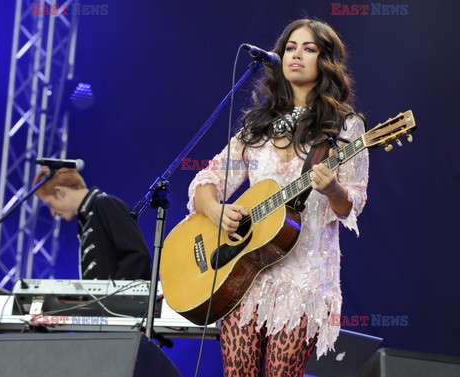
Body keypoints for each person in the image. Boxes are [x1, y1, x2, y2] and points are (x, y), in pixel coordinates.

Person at [187, 19, 369, 376]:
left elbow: (353, 203)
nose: (296, 55)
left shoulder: (345, 127)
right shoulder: (257, 125)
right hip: (243, 276)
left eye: (309, 49)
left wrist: (333, 189)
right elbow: (209, 177)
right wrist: (213, 210)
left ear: (325, 61)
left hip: (302, 281)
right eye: (290, 47)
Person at [33, 167, 151, 280]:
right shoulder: (86, 219)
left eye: (49, 204)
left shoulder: (104, 204)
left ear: (59, 192)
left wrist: (112, 296)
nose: (52, 212)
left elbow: (138, 255)